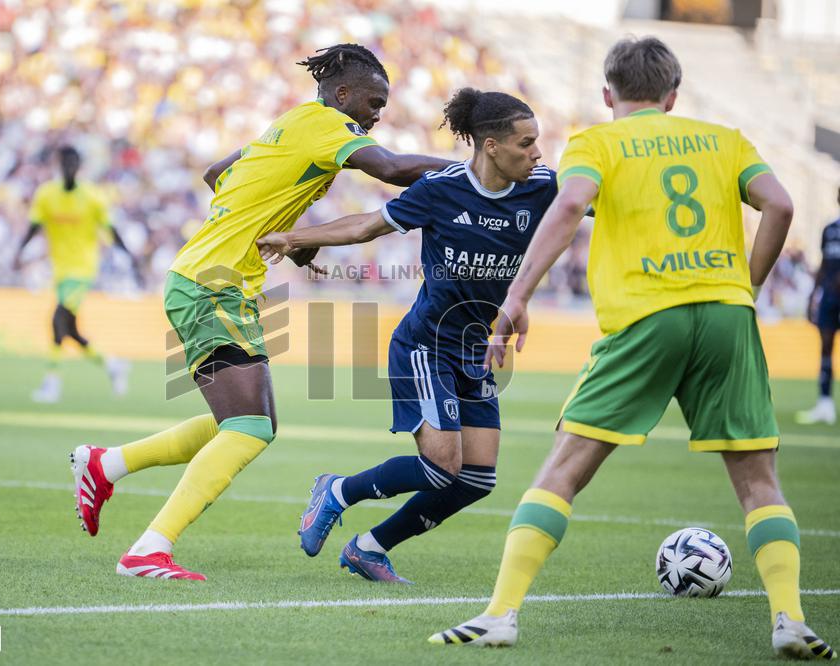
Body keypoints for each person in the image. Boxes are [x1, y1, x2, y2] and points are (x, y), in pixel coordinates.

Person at [430, 37, 836, 660]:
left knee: (563, 470)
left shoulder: (596, 142)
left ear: (607, 94)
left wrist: (515, 298)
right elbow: (779, 205)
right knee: (758, 481)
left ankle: (500, 614)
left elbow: (570, 203)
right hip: (726, 315)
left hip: (647, 316)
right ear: (674, 95)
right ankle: (790, 619)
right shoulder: (725, 139)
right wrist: (746, 285)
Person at [68, 44, 455, 580]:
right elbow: (390, 169)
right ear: (342, 94)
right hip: (213, 284)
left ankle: (106, 465)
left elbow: (215, 173)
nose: (377, 114)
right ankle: (147, 551)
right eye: (373, 101)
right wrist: (471, 169)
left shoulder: (292, 123)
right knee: (249, 427)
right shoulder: (324, 125)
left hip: (212, 280)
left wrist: (287, 235)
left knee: (247, 422)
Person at [259, 88, 554, 583]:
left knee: (477, 478)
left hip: (476, 351)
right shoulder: (442, 189)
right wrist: (293, 238)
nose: (538, 153)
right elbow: (364, 228)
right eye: (526, 143)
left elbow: (594, 203)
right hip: (426, 344)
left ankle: (369, 548)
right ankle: (337, 491)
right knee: (442, 466)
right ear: (490, 146)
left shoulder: (544, 187)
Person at [13, 145, 139, 403]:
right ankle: (112, 364)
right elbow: (34, 225)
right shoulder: (46, 195)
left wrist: (127, 255)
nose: (69, 169)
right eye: (65, 164)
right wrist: (19, 252)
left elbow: (111, 229)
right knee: (70, 329)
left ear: (78, 167)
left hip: (82, 269)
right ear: (60, 165)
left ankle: (52, 383)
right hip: (60, 270)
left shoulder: (93, 197)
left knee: (57, 320)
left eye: (73, 164)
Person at [796, 188, 840, 425]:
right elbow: (823, 262)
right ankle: (825, 403)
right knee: (825, 347)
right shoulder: (830, 229)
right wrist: (813, 293)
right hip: (830, 298)